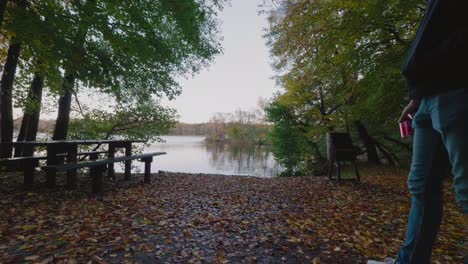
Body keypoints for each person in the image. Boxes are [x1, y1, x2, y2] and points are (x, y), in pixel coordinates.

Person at [368, 0, 468, 263]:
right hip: (426, 100)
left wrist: (441, 65)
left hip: (458, 91)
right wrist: (417, 96)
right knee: (421, 185)